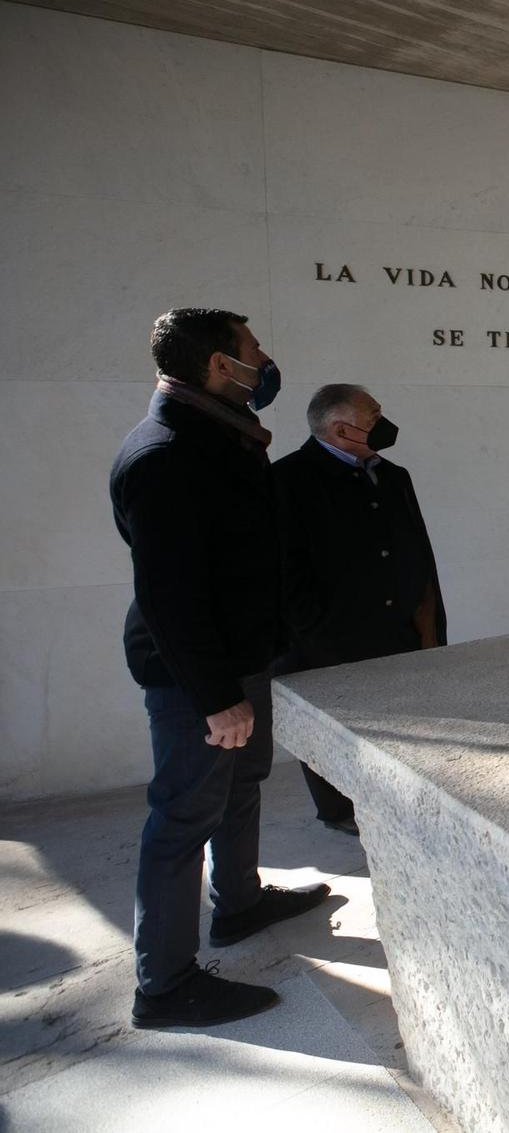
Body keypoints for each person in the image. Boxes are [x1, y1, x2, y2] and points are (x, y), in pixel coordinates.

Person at [110, 308, 331, 1030]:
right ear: (217, 365)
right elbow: (169, 597)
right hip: (197, 681)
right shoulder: (165, 453)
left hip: (241, 664)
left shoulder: (223, 439)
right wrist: (215, 698)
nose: (265, 359)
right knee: (181, 819)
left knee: (241, 786)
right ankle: (165, 985)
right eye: (253, 350)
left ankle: (238, 903)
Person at [274, 385, 446, 833]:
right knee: (333, 734)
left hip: (397, 630)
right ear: (339, 427)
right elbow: (285, 569)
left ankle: (393, 799)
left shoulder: (393, 475)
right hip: (329, 640)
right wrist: (314, 630)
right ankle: (339, 810)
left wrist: (428, 622)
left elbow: (416, 550)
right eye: (373, 415)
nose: (383, 422)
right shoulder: (287, 480)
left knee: (404, 726)